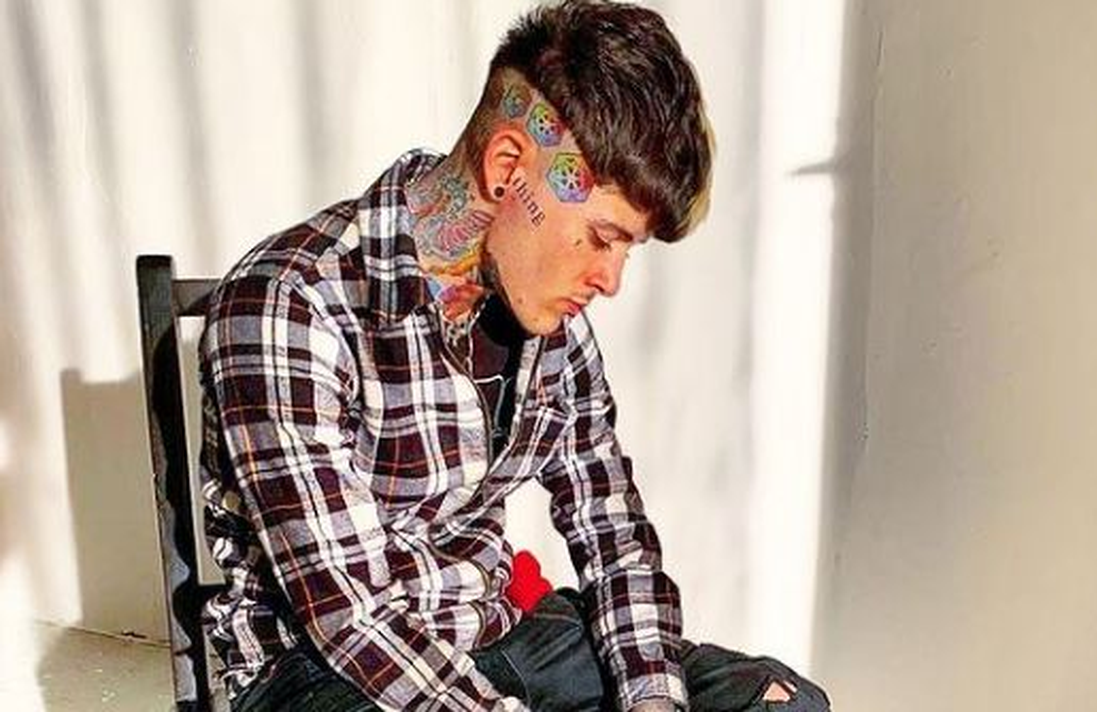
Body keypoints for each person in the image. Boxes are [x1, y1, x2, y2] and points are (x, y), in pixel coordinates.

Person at [198, 1, 830, 710]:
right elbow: (351, 617)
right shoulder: (291, 305)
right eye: (601, 237)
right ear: (507, 168)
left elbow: (613, 537)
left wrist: (653, 699)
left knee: (781, 701)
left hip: (502, 636)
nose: (610, 280)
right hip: (325, 673)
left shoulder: (555, 330)